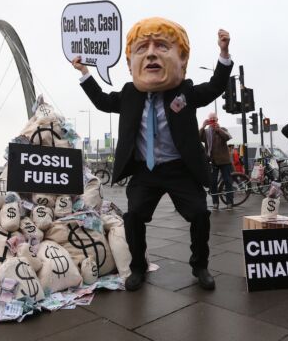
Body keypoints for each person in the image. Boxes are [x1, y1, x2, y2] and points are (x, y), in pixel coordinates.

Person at [71, 17, 233, 291]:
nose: (151, 54)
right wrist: (85, 71)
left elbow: (215, 86)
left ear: (182, 60)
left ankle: (200, 265)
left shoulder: (185, 91)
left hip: (179, 169)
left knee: (200, 214)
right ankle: (137, 267)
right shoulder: (129, 94)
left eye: (161, 46)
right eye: (142, 48)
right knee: (132, 216)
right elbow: (102, 102)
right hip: (146, 172)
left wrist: (224, 53)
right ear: (130, 63)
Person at [200, 112, 234, 210]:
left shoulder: (222, 129)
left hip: (224, 161)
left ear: (217, 120)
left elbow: (227, 137)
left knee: (228, 181)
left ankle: (229, 203)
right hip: (212, 161)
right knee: (212, 183)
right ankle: (215, 202)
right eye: (211, 119)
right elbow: (198, 138)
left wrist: (218, 129)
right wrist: (203, 126)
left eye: (214, 119)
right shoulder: (206, 132)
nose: (212, 121)